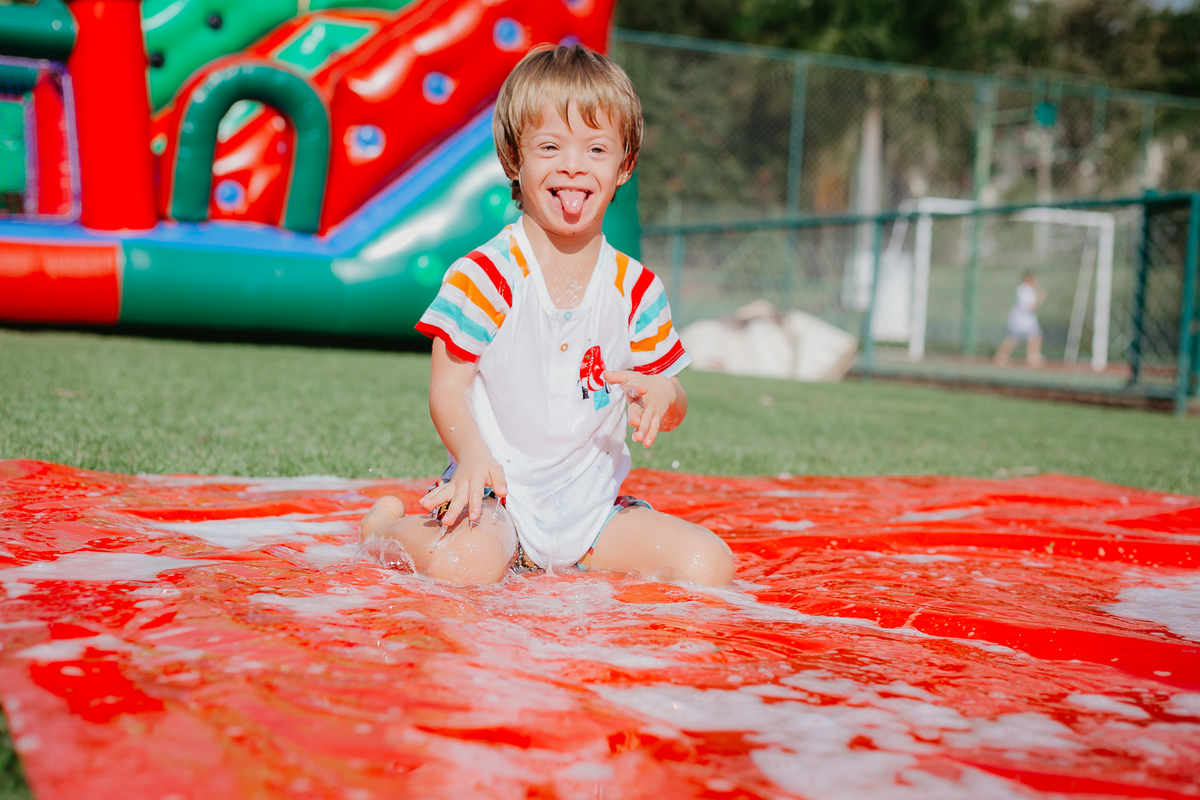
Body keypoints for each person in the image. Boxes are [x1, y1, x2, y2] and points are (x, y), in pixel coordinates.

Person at [359, 45, 734, 587]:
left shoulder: (637, 290)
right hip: (496, 499)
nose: (573, 166)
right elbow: (447, 387)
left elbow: (670, 398)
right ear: (515, 158)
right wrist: (470, 455)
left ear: (624, 163)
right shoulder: (487, 275)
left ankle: (563, 553)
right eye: (550, 146)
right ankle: (388, 529)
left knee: (708, 565)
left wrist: (664, 399)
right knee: (466, 566)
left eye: (596, 148)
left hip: (592, 512)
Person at [994, 271, 1046, 367]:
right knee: (1013, 339)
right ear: (1028, 279)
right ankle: (1001, 356)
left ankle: (1032, 358)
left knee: (1035, 337)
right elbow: (1030, 308)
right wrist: (1040, 299)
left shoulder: (1029, 290)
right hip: (1020, 320)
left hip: (1027, 320)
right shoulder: (1023, 290)